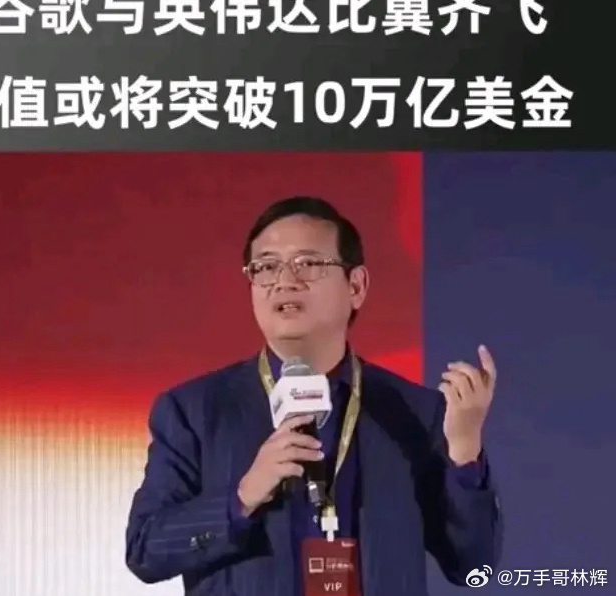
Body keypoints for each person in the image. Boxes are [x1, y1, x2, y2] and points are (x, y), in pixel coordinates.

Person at [125, 196, 502, 596]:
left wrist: (465, 449)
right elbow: (145, 550)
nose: (284, 280)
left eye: (307, 263)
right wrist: (242, 497)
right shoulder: (195, 411)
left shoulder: (417, 412)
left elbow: (473, 567)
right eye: (266, 267)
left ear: (355, 286)